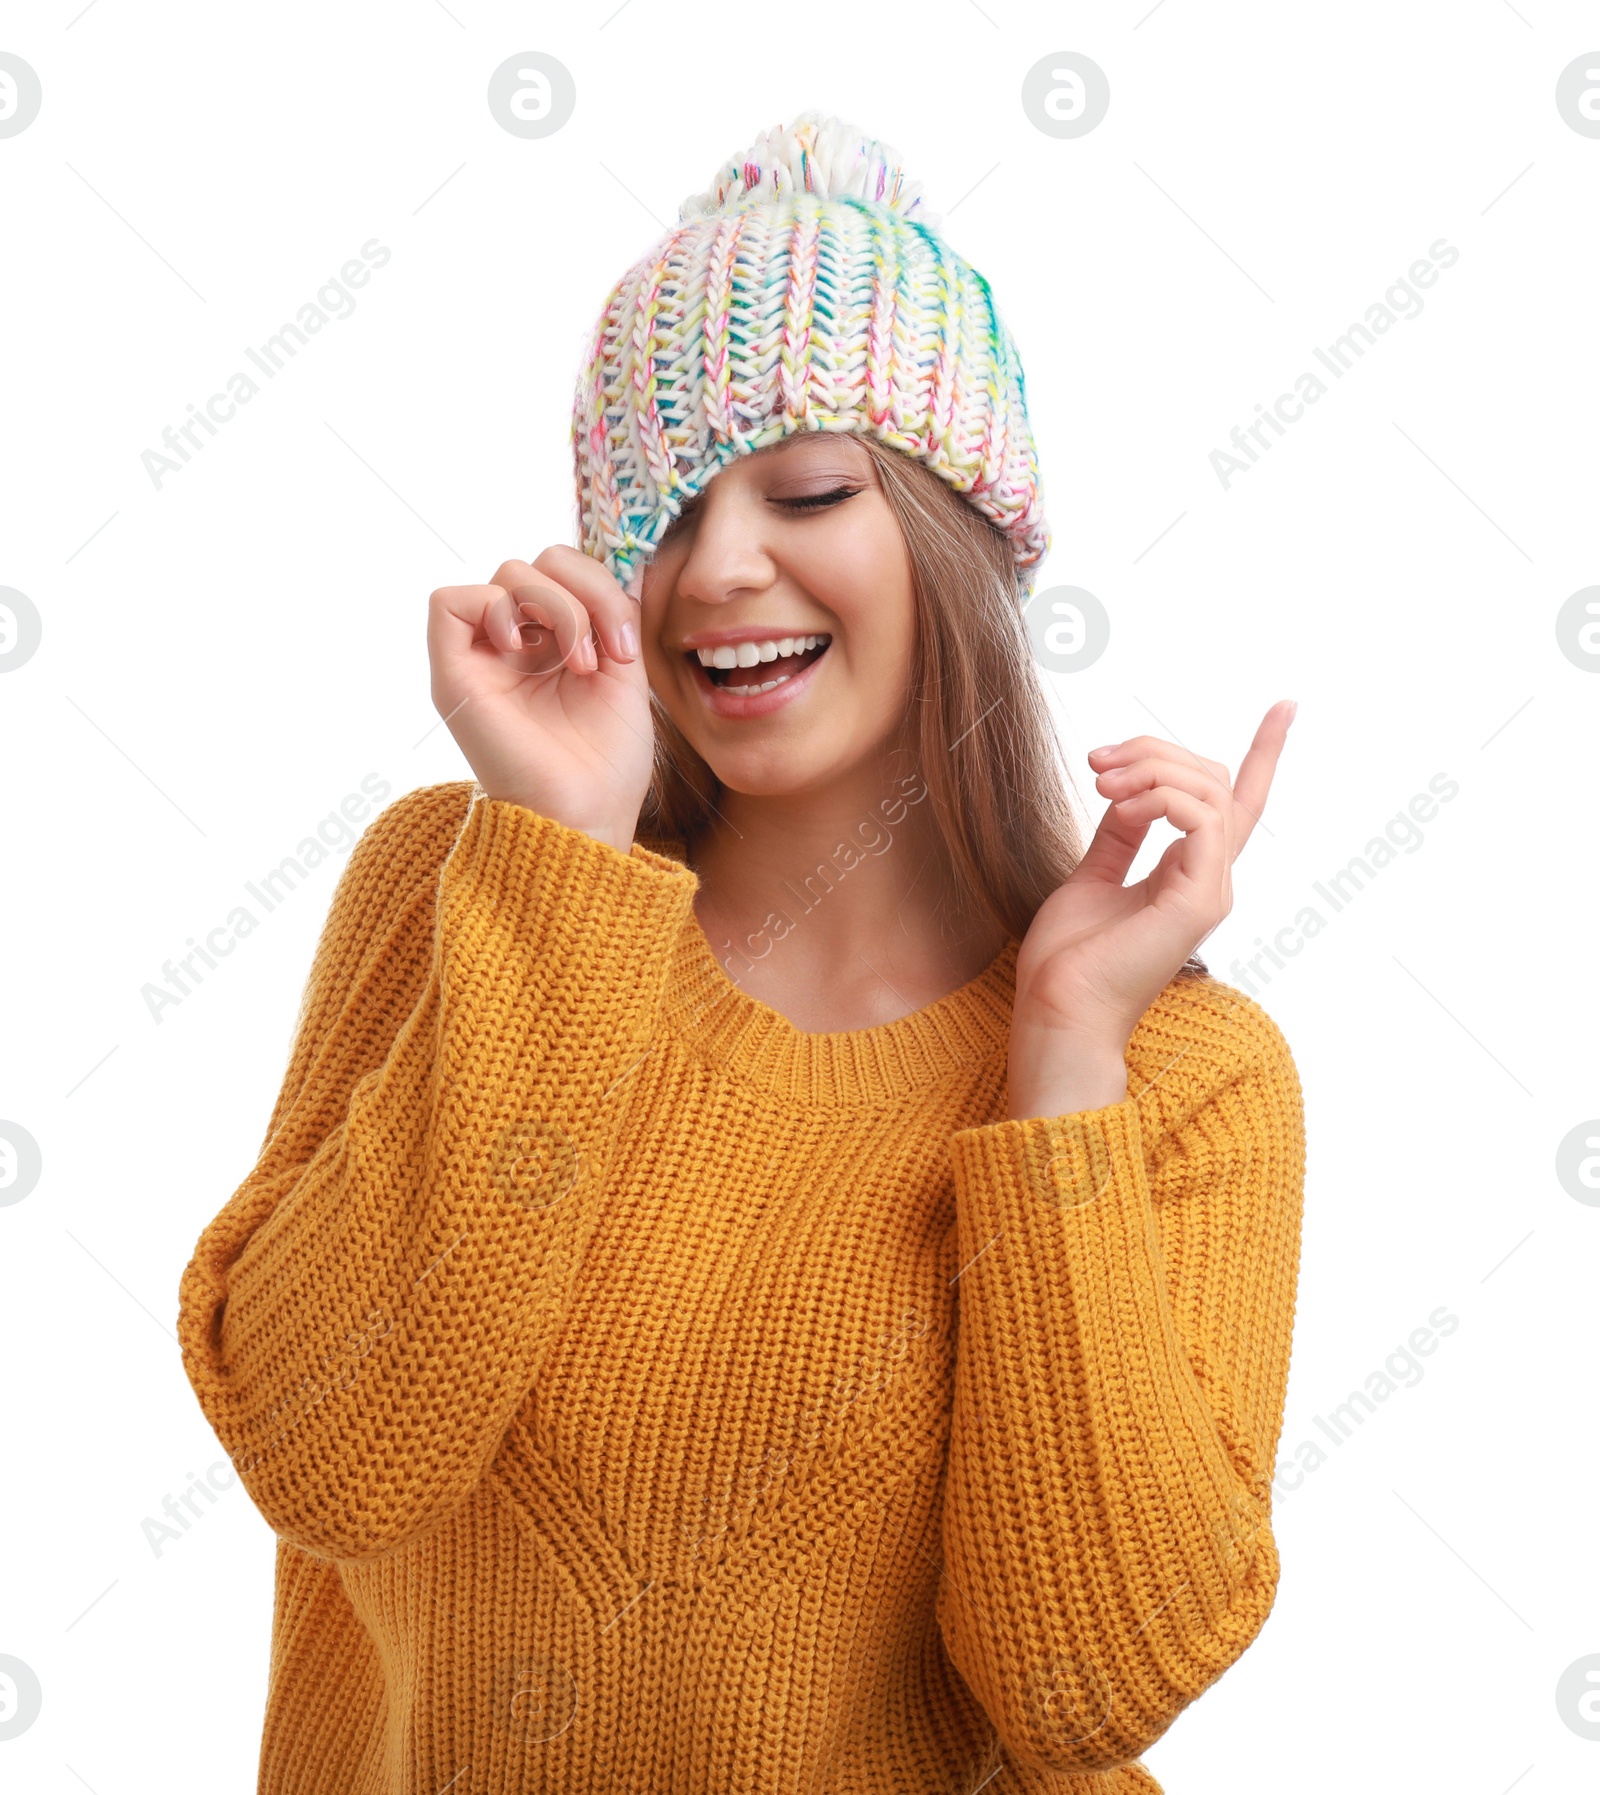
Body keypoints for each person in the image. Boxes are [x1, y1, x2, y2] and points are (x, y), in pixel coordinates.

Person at [178, 109, 1304, 1795]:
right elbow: (330, 1463)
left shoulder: (1183, 1078)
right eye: (664, 509)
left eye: (809, 489)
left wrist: (1061, 1058)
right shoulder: (460, 894)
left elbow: (1085, 1685)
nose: (717, 569)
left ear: (958, 537)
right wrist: (562, 863)